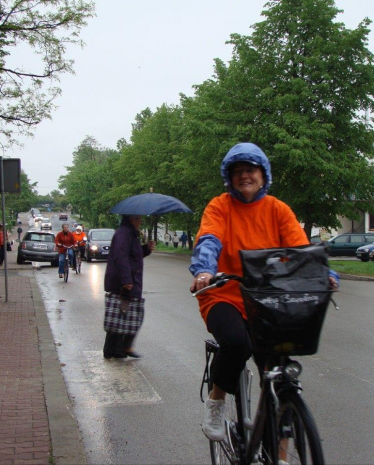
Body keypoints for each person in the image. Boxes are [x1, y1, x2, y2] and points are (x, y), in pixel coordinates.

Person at [189, 142, 338, 442]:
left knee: (279, 376)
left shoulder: (278, 209)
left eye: (251, 170)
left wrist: (323, 274)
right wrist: (204, 270)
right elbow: (209, 238)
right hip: (223, 293)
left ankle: (279, 451)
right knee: (236, 343)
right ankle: (216, 401)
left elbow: (300, 249)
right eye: (238, 171)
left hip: (268, 300)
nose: (245, 176)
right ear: (229, 177)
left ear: (263, 174)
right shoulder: (220, 206)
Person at [103, 215, 155, 359]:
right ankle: (121, 347)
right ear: (132, 219)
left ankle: (115, 349)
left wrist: (146, 249)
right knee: (130, 313)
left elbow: (133, 256)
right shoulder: (124, 233)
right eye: (139, 218)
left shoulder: (130, 234)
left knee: (121, 314)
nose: (141, 221)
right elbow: (121, 257)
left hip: (128, 279)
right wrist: (126, 280)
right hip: (123, 281)